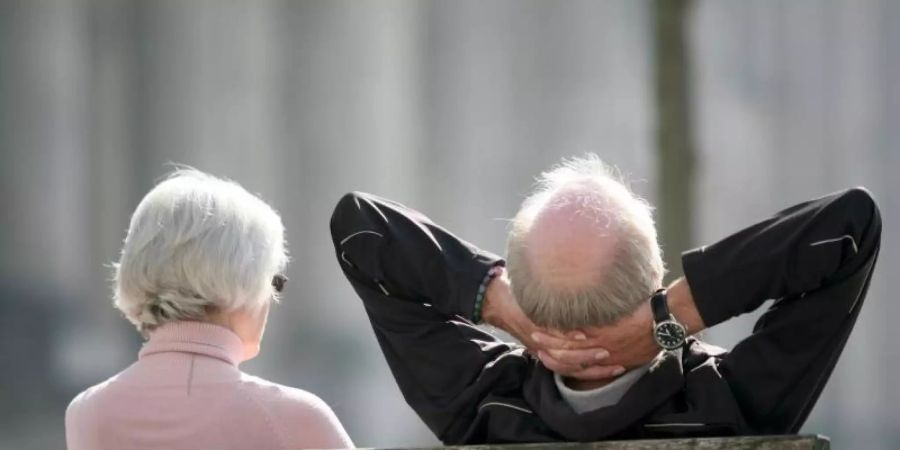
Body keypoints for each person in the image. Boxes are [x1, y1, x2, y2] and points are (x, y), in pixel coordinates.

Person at [329, 154, 881, 444]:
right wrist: (671, 319)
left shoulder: (481, 408)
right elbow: (850, 228)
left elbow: (362, 232)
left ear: (530, 297)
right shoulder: (733, 402)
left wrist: (502, 308)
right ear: (655, 274)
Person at [66, 169, 353, 450]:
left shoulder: (87, 412)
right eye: (274, 281)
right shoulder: (294, 416)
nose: (271, 299)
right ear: (245, 278)